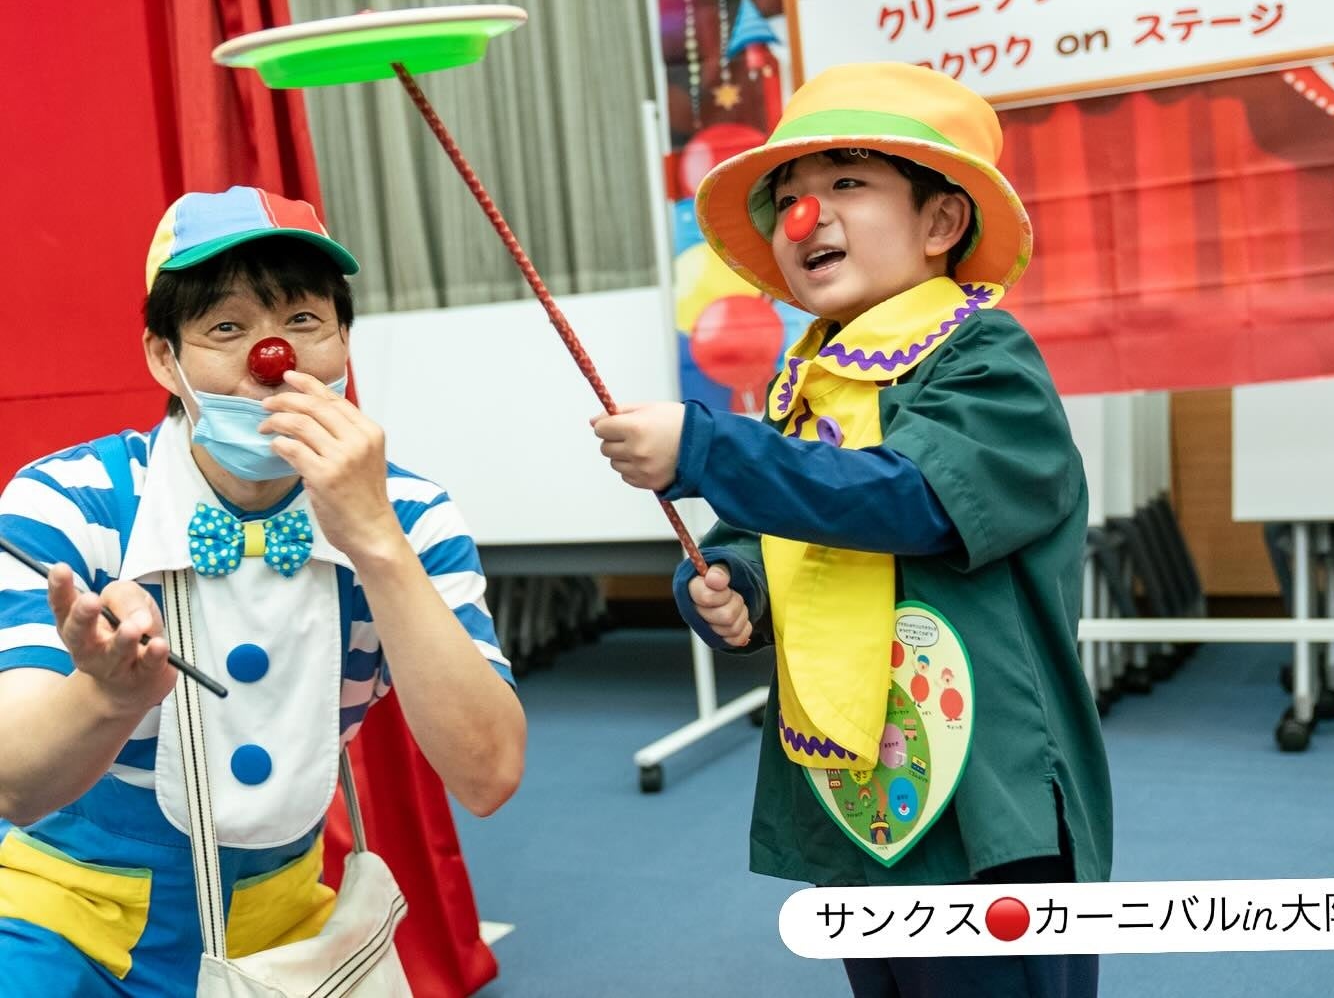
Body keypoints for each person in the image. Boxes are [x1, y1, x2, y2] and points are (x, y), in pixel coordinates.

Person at [592, 63, 1111, 997]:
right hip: (861, 786)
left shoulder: (986, 360)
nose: (803, 216)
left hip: (985, 790)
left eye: (845, 181)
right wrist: (733, 586)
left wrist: (709, 448)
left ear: (941, 221)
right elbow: (765, 532)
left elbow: (909, 498)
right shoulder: (809, 385)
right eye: (787, 195)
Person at [0, 186, 525, 995]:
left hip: (285, 935)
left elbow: (488, 774)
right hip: (63, 923)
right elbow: (15, 781)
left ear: (344, 341)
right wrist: (108, 695)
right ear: (163, 358)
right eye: (226, 327)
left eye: (303, 320)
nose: (271, 357)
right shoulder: (71, 501)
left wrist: (377, 543)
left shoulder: (414, 515)